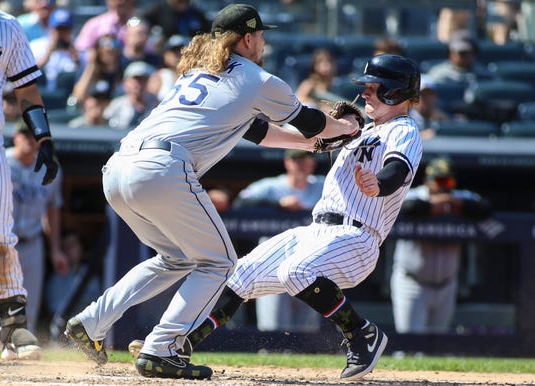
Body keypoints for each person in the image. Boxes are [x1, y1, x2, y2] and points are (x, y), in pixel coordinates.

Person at [63, 3, 359, 381]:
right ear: (248, 38)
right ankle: (161, 348)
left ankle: (90, 323)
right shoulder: (258, 79)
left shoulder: (200, 72)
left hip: (119, 167)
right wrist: (345, 127)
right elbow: (310, 121)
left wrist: (311, 144)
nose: (264, 42)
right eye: (261, 35)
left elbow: (255, 131)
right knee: (219, 263)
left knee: (175, 258)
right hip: (162, 169)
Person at [140, 53, 423, 380]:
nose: (365, 94)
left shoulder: (403, 129)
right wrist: (239, 115)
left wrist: (379, 185)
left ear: (395, 93)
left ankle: (361, 333)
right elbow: (290, 134)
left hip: (358, 239)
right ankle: (181, 344)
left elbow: (397, 168)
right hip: (317, 231)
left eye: (374, 88)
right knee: (239, 274)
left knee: (296, 271)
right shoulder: (360, 131)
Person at [0, 7, 60, 360]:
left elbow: (26, 87)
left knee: (0, 236)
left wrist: (44, 139)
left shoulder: (6, 26)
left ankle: (12, 324)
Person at [390, 157, 491, 334]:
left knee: (438, 346)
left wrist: (452, 202)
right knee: (410, 345)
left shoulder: (459, 198)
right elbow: (407, 207)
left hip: (447, 284)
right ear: (427, 181)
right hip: (412, 283)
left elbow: (484, 208)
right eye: (439, 180)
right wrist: (435, 205)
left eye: (448, 180)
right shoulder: (415, 194)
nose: (444, 185)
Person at [234, 149, 325, 333]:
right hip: (273, 261)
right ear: (287, 163)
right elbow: (240, 204)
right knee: (273, 329)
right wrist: (278, 205)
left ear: (313, 163)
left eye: (306, 159)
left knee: (307, 329)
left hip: (310, 260)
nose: (302, 164)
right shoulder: (271, 187)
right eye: (297, 159)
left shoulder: (322, 185)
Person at [5, 120, 68, 334]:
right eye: (25, 135)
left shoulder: (50, 169)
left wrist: (56, 249)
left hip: (32, 243)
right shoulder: (0, 162)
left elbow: (53, 210)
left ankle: (21, 355)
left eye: (35, 137)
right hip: (1, 242)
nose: (30, 141)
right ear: (16, 137)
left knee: (28, 304)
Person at [44, 230, 102, 319]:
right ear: (62, 251)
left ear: (81, 248)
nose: (71, 249)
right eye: (67, 246)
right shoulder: (55, 281)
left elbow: (100, 308)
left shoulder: (91, 275)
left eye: (73, 244)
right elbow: (56, 316)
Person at [29, 8, 80, 92]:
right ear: (50, 29)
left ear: (71, 31)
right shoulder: (36, 46)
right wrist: (47, 55)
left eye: (65, 30)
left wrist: (76, 58)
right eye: (58, 30)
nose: (61, 34)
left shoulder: (79, 49)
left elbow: (85, 75)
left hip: (67, 98)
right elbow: (26, 75)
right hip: (40, 96)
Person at [103, 61, 159, 130]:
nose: (139, 84)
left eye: (143, 80)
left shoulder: (156, 105)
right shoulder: (117, 104)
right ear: (126, 82)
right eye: (136, 80)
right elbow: (105, 126)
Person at [70, 34, 123, 105]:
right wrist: (91, 65)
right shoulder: (88, 70)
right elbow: (78, 96)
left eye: (114, 43)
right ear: (97, 50)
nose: (109, 48)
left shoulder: (123, 69)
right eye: (104, 43)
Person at [426, 29, 493, 85]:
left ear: (474, 53)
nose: (463, 56)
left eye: (466, 53)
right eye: (460, 53)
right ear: (450, 54)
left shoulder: (485, 75)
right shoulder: (438, 75)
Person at [295, 48, 344, 113]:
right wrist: (319, 105)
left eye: (329, 61)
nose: (326, 65)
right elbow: (296, 102)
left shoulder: (339, 85)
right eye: (321, 62)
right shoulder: (309, 84)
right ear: (314, 65)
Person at [140, 0, 210, 42]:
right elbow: (141, 22)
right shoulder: (159, 11)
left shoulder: (196, 14)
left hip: (192, 51)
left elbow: (206, 32)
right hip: (168, 52)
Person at [147, 34, 189, 101]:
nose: (177, 55)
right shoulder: (159, 76)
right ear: (165, 55)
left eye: (181, 51)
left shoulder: (194, 75)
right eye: (173, 51)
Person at [408, 75, 449, 140]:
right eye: (422, 95)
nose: (426, 99)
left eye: (429, 95)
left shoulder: (442, 119)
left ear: (435, 97)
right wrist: (420, 136)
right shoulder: (405, 119)